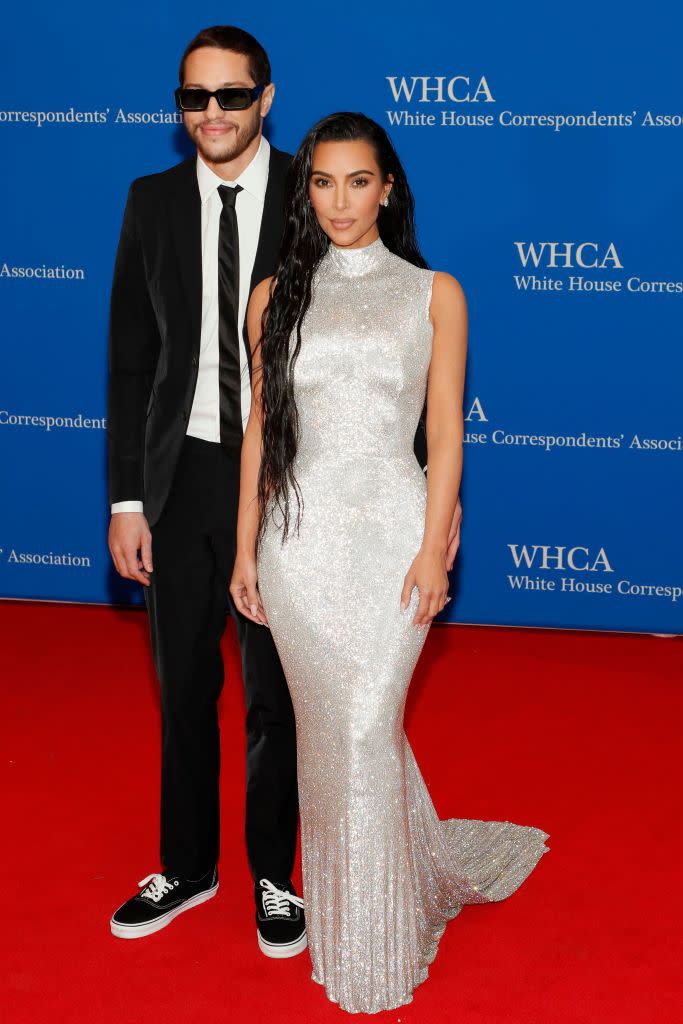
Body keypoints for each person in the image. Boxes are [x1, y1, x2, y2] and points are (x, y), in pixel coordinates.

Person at [230, 112, 550, 1013]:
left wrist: (434, 543)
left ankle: (377, 929)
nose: (340, 201)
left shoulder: (433, 293)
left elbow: (443, 433)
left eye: (358, 181)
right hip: (297, 544)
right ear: (306, 193)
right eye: (322, 183)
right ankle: (358, 911)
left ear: (389, 187)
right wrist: (247, 543)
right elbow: (262, 429)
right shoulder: (270, 298)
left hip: (392, 539)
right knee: (332, 734)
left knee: (368, 726)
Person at [106, 25, 306, 954]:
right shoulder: (149, 202)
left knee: (274, 691)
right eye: (196, 98)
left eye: (232, 95)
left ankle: (275, 873)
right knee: (181, 684)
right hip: (181, 476)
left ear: (266, 98)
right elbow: (129, 362)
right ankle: (186, 865)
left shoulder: (319, 191)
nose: (213, 114)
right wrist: (125, 501)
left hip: (283, 482)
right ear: (179, 106)